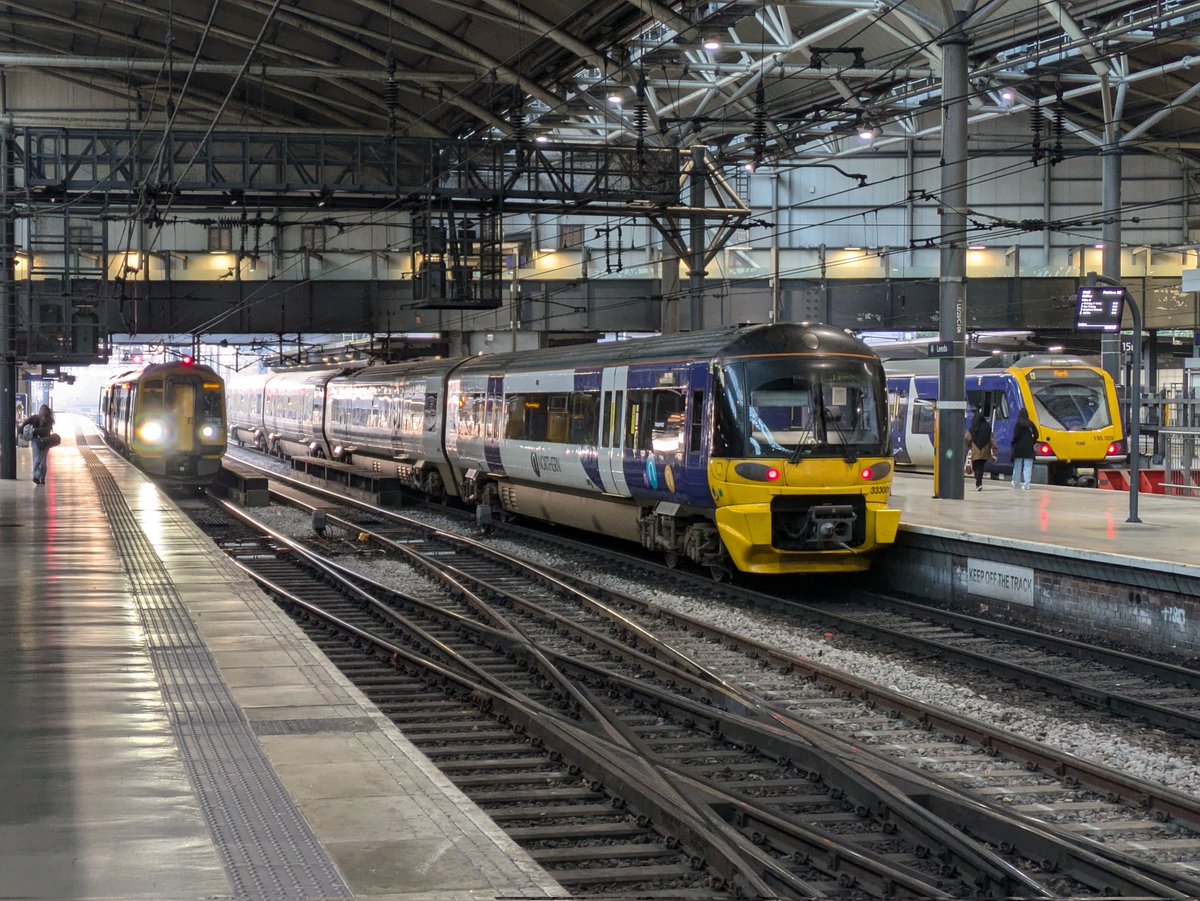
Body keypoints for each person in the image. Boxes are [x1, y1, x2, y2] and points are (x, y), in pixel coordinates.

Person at [20, 403, 55, 486]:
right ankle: (36, 476)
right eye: (42, 411)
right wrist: (20, 432)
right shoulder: (34, 418)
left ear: (47, 412)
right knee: (37, 460)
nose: (43, 413)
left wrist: (35, 430)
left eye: (45, 411)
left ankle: (42, 477)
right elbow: (25, 423)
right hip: (35, 440)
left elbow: (46, 430)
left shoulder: (49, 420)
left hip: (45, 441)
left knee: (43, 462)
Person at [964, 411, 996, 491]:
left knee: (977, 467)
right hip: (985, 451)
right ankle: (979, 483)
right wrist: (994, 450)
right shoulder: (987, 427)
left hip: (976, 450)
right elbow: (992, 440)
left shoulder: (972, 428)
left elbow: (966, 438)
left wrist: (969, 445)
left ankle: (978, 484)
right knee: (980, 467)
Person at [1010, 407, 1039, 490]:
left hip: (1019, 448)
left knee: (1017, 466)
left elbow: (1015, 436)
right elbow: (1036, 434)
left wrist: (1014, 443)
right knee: (1028, 467)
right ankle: (1027, 484)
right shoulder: (1031, 424)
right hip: (1029, 448)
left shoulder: (1018, 424)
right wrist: (1032, 440)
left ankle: (1016, 483)